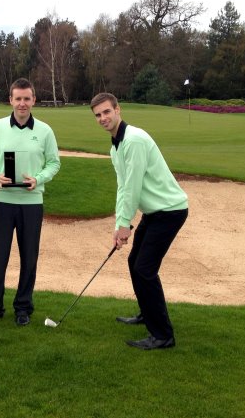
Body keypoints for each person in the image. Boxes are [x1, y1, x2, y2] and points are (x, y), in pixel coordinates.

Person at [90, 92, 188, 350]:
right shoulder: (116, 146)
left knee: (144, 268)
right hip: (154, 212)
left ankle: (163, 335)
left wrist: (125, 224)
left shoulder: (133, 140)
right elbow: (123, 188)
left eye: (106, 112)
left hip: (170, 211)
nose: (103, 118)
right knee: (136, 262)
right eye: (98, 115)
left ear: (117, 110)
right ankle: (148, 313)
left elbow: (133, 187)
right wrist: (120, 225)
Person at [0, 78, 61, 327]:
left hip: (31, 202)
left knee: (29, 257)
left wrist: (40, 178)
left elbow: (54, 163)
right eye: (18, 98)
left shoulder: (45, 131)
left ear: (34, 100)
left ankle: (23, 307)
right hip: (1, 201)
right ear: (10, 100)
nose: (22, 103)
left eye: (27, 98)